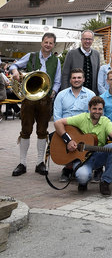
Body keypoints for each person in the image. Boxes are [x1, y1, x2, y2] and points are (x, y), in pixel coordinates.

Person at [10, 32, 61, 177]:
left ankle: (40, 163)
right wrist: (14, 71)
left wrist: (54, 91)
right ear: (41, 42)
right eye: (46, 42)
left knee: (42, 131)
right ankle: (22, 163)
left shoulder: (56, 61)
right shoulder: (31, 56)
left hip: (46, 99)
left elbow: (57, 80)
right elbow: (14, 65)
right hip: (29, 99)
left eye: (51, 43)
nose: (48, 45)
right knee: (25, 130)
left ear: (53, 45)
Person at [54, 95, 112, 196]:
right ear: (89, 108)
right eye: (94, 108)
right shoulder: (82, 118)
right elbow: (58, 123)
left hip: (99, 156)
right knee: (82, 176)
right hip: (82, 158)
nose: (97, 111)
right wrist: (68, 141)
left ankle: (105, 182)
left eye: (100, 109)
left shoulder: (105, 121)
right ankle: (83, 182)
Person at [53, 67, 95, 183]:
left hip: (84, 130)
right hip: (65, 129)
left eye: (79, 78)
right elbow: (57, 117)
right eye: (74, 78)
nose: (76, 80)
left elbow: (94, 116)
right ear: (70, 80)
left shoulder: (91, 95)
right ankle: (68, 168)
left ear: (83, 79)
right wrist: (66, 136)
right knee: (66, 137)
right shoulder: (61, 95)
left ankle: (83, 165)